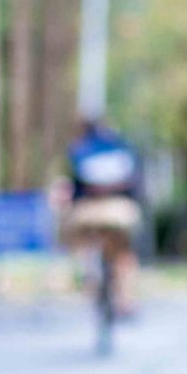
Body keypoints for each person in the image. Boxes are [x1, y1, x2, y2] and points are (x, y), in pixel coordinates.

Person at [60, 115, 145, 315]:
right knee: (124, 251)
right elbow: (135, 185)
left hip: (88, 211)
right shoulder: (124, 148)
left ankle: (86, 276)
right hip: (121, 210)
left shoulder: (78, 150)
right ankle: (126, 300)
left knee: (79, 240)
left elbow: (74, 189)